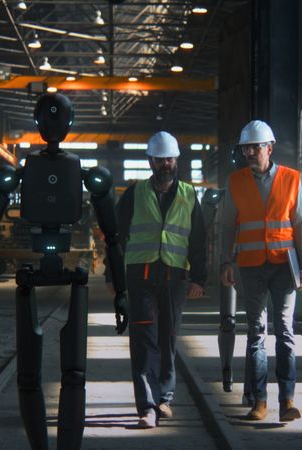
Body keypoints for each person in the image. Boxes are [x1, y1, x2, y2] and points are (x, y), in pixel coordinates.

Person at [110, 131, 207, 429]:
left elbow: (199, 239)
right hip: (140, 277)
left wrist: (199, 278)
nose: (165, 164)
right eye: (160, 159)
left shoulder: (189, 194)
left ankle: (165, 397)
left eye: (169, 159)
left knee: (168, 337)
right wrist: (113, 275)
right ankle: (147, 406)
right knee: (143, 339)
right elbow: (116, 237)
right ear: (150, 161)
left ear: (176, 160)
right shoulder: (134, 194)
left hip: (174, 278)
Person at [219, 120, 302, 422]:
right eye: (245, 148)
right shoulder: (235, 182)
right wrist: (225, 262)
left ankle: (287, 400)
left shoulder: (292, 178)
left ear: (269, 148)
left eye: (255, 147)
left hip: (285, 266)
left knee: (285, 331)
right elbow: (227, 226)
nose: (249, 152)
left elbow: (299, 224)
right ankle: (259, 401)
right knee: (256, 332)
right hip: (251, 267)